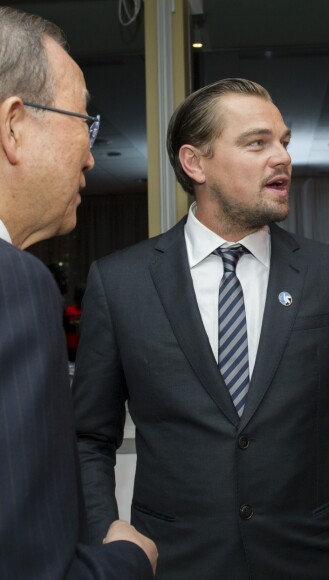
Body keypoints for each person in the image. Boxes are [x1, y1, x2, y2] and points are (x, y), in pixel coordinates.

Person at [72, 78, 329, 579]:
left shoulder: (327, 271)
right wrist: (105, 525)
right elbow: (87, 437)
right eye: (257, 143)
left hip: (315, 558)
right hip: (178, 560)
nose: (282, 158)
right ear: (195, 163)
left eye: (284, 142)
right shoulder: (120, 282)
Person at [0, 7, 157, 579]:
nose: (92, 155)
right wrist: (128, 560)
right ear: (14, 125)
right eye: (82, 122)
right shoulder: (14, 283)